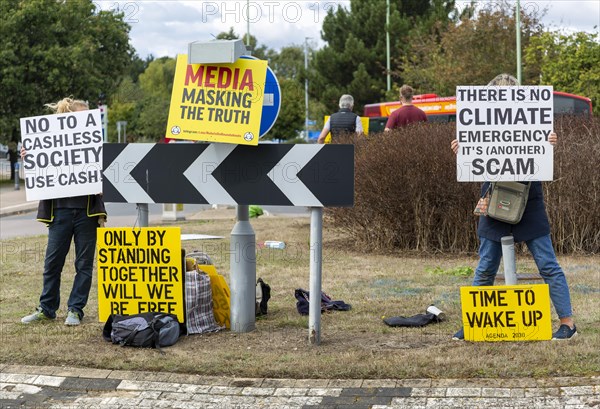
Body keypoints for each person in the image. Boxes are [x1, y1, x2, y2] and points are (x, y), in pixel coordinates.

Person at [450, 73, 577, 341]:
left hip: (529, 201)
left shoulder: (535, 124)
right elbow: (475, 161)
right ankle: (473, 323)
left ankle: (568, 324)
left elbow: (541, 158)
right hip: (492, 200)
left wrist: (549, 142)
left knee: (547, 265)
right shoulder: (480, 125)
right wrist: (463, 149)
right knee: (485, 266)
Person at [21, 97, 107, 326]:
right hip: (58, 212)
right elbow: (35, 174)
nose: (88, 120)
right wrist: (29, 160)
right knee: (52, 263)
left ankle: (75, 310)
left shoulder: (94, 143)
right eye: (82, 116)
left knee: (84, 264)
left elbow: (108, 174)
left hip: (87, 213)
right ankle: (47, 309)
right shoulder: (47, 142)